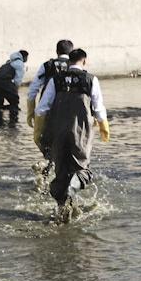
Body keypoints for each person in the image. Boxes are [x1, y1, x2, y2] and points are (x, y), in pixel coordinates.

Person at [36, 49, 110, 216]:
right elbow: (98, 107)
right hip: (81, 131)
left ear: (70, 60)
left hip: (57, 131)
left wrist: (38, 130)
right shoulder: (90, 79)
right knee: (83, 169)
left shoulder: (57, 79)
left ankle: (63, 209)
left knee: (60, 170)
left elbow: (42, 107)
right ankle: (72, 189)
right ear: (84, 61)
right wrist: (104, 126)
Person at [27, 40, 74, 152]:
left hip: (49, 108)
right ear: (72, 51)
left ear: (56, 51)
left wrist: (30, 112)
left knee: (47, 140)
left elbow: (33, 89)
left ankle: (51, 161)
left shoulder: (47, 65)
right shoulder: (75, 65)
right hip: (70, 108)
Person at [0, 50, 28, 126]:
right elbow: (18, 80)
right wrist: (15, 91)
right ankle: (13, 122)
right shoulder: (19, 64)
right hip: (3, 80)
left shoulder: (10, 61)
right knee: (14, 100)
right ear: (24, 57)